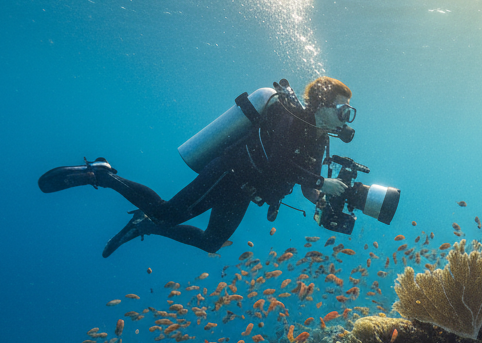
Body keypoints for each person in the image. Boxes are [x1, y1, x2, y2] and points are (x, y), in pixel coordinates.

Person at [39, 77, 356, 256]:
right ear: (324, 103)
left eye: (347, 110)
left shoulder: (319, 140)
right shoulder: (292, 119)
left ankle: (144, 226)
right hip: (228, 172)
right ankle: (103, 174)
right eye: (343, 108)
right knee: (167, 213)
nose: (346, 115)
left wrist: (322, 198)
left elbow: (304, 184)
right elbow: (278, 163)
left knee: (211, 242)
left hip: (245, 191)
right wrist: (321, 182)